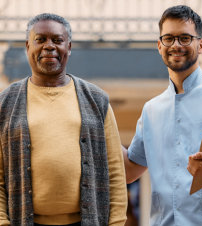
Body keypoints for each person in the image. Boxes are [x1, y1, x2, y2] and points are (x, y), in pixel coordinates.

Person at [0, 13, 127, 226]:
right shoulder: (5, 104)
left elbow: (114, 171)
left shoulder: (96, 100)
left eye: (57, 40)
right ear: (28, 46)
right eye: (40, 39)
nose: (49, 46)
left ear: (69, 47)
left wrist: (116, 223)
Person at [123, 5, 202, 226]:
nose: (176, 45)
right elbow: (129, 171)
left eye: (185, 38)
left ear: (200, 44)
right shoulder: (151, 110)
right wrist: (99, 125)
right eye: (169, 38)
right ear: (159, 45)